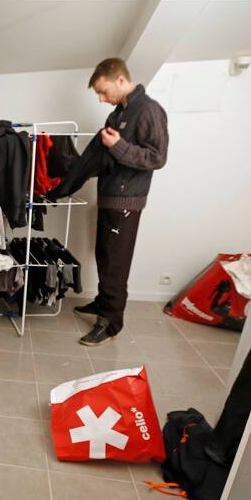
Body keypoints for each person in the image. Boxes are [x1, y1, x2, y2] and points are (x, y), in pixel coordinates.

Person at [74, 58, 169, 346]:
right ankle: (104, 303)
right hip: (110, 198)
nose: (102, 100)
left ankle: (110, 323)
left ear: (120, 80)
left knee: (115, 262)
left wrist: (118, 146)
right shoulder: (118, 113)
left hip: (127, 202)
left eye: (103, 92)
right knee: (105, 255)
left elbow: (157, 157)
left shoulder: (149, 109)